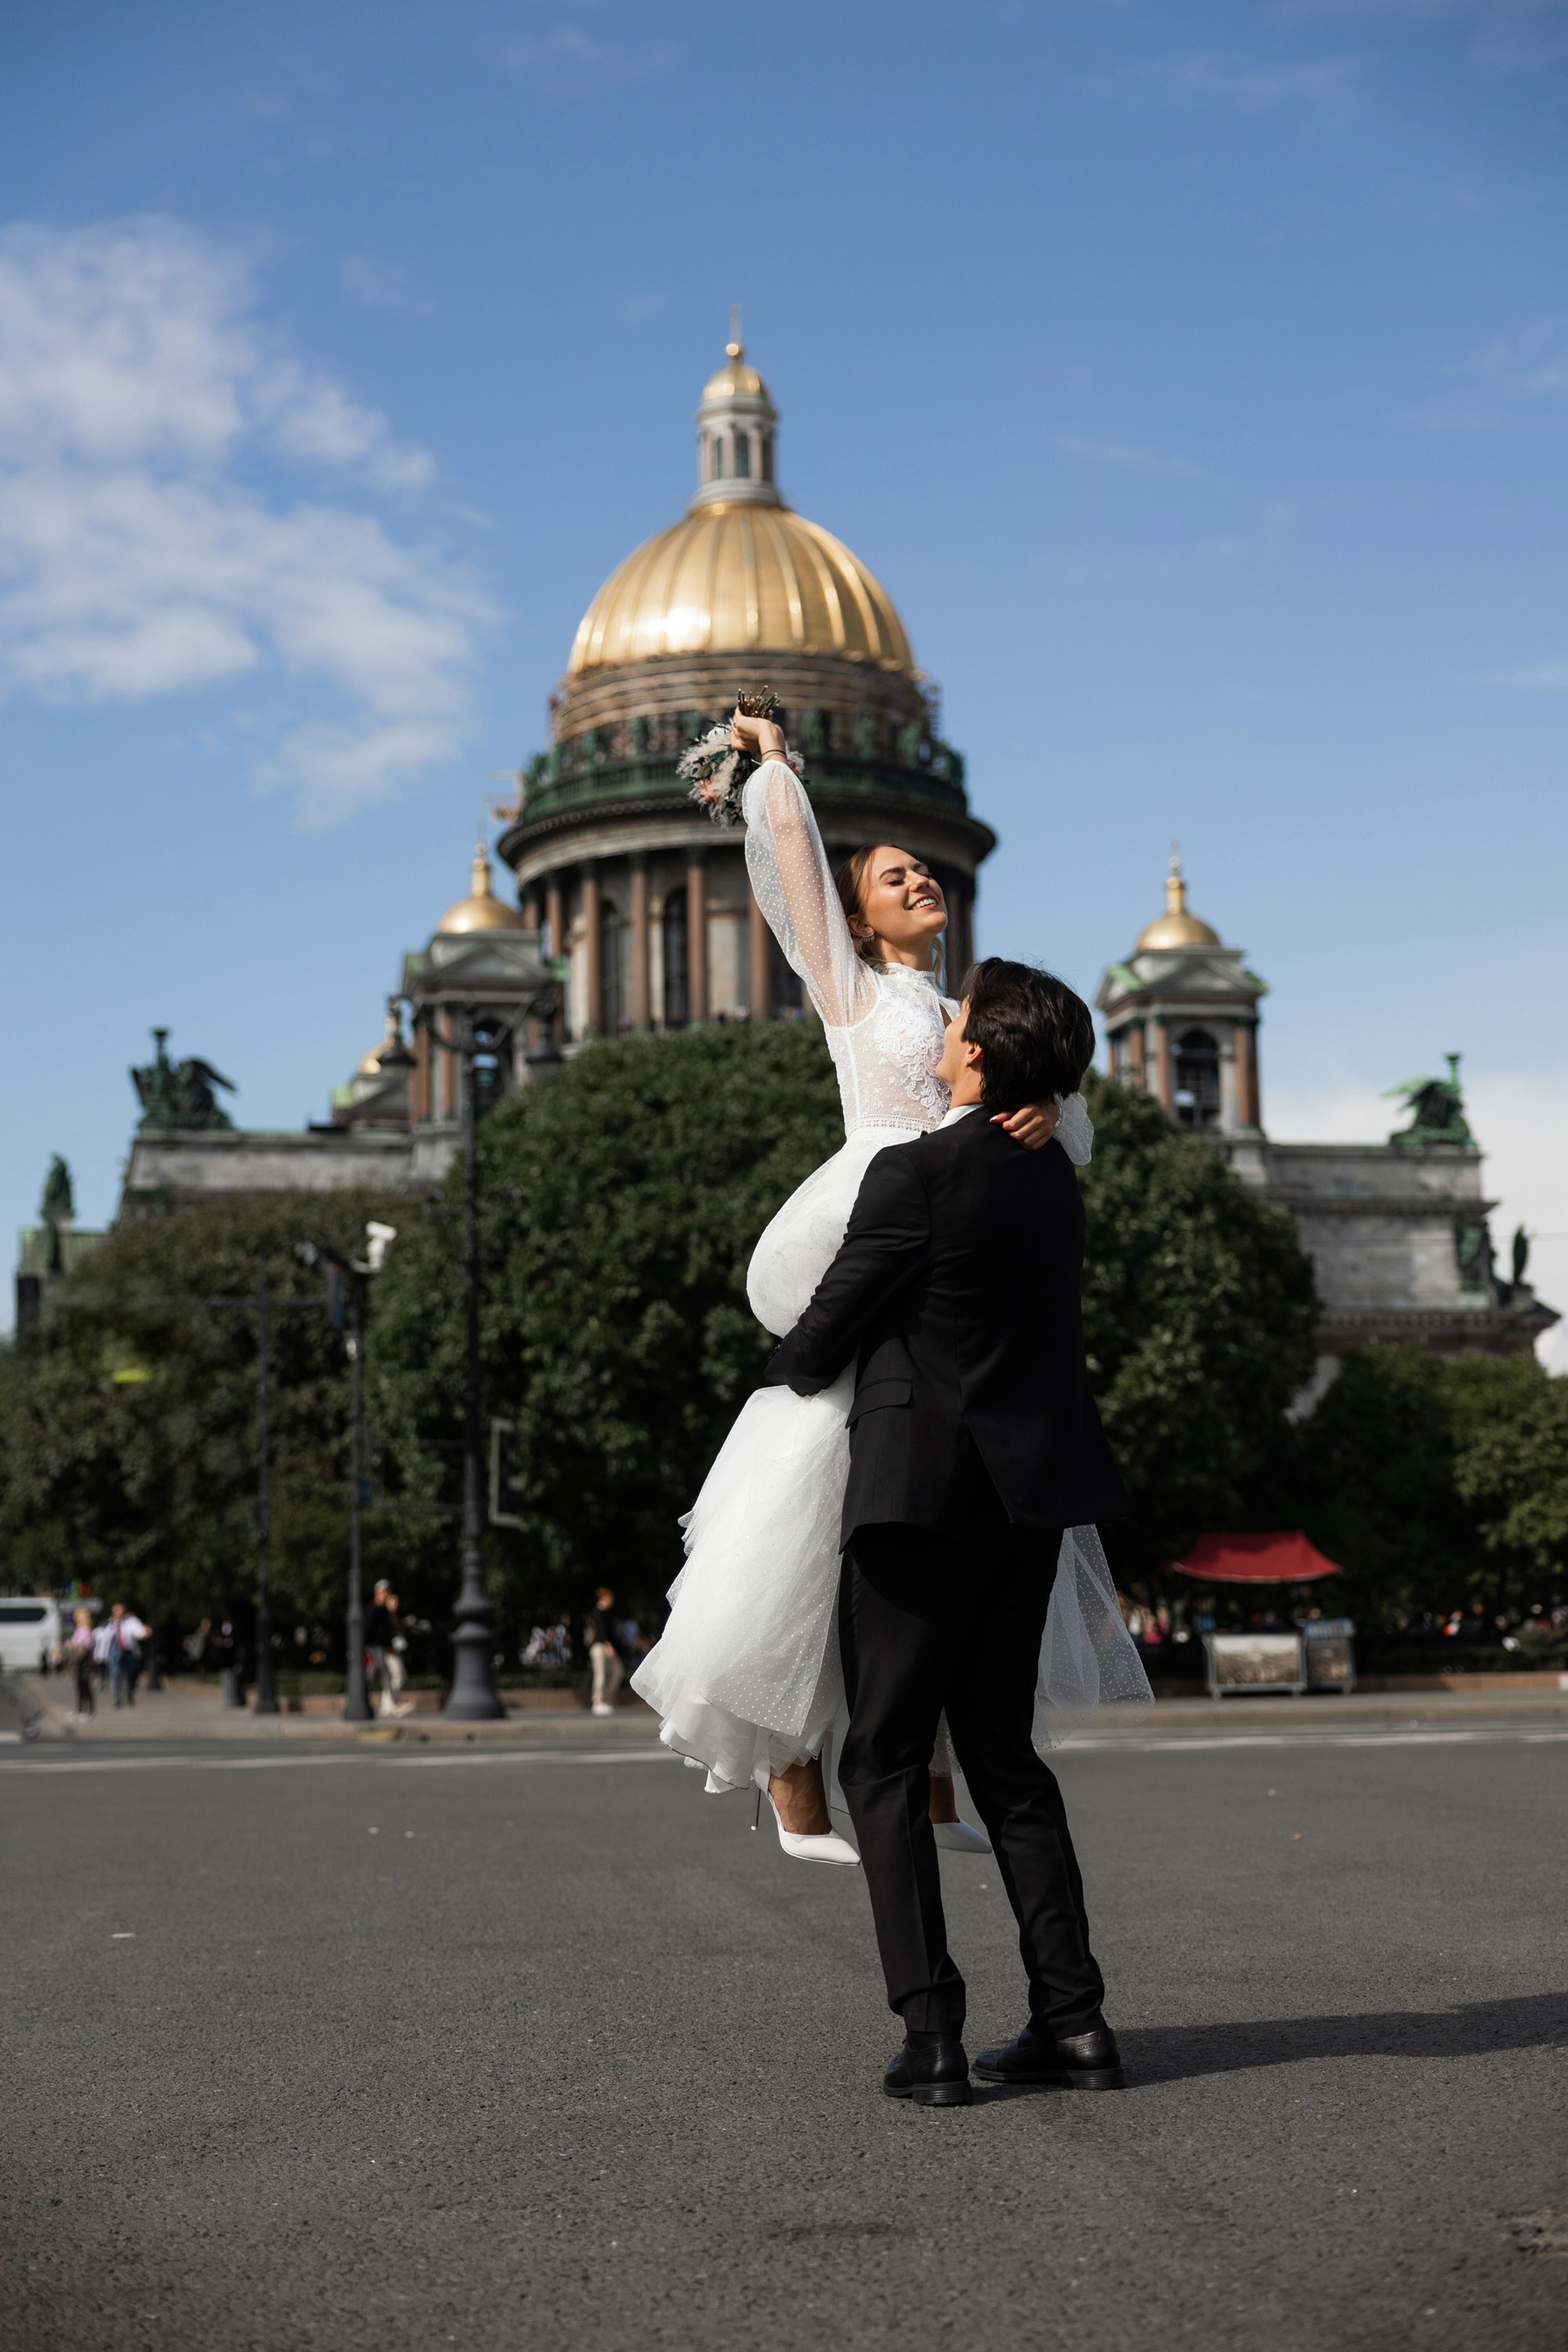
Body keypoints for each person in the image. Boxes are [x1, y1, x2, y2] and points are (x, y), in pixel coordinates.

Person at [632, 712, 1149, 1863]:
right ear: (858, 917)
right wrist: (773, 774)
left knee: (922, 1504)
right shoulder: (855, 991)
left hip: (951, 1238)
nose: (921, 880)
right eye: (893, 875)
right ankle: (794, 1776)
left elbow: (1040, 1101)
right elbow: (797, 883)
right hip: (883, 1220)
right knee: (818, 1505)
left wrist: (1047, 1106)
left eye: (926, 870)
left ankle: (924, 1781)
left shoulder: (970, 1008)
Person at [765, 960, 1130, 2103]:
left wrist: (789, 1368)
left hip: (917, 1501)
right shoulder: (1052, 1183)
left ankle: (931, 2034)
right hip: (1023, 1505)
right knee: (1006, 1761)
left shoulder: (915, 1175)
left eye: (960, 1018)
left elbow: (825, 1333)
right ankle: (1074, 2024)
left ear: (977, 1056)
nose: (945, 1023)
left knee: (879, 1758)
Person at [588, 1587, 623, 1718]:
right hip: (599, 1647)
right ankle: (597, 1701)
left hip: (609, 1647)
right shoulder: (597, 1612)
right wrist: (608, 1645)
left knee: (618, 1672)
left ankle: (607, 1699)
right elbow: (601, 1632)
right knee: (600, 1674)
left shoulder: (608, 1613)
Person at [67, 1607, 96, 1718]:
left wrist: (73, 1645)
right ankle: (80, 1709)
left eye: (76, 1615)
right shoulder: (80, 1629)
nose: (74, 1618)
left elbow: (86, 1645)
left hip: (84, 1661)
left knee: (84, 1685)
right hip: (79, 1661)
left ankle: (88, 1710)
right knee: (80, 1685)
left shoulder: (84, 1630)